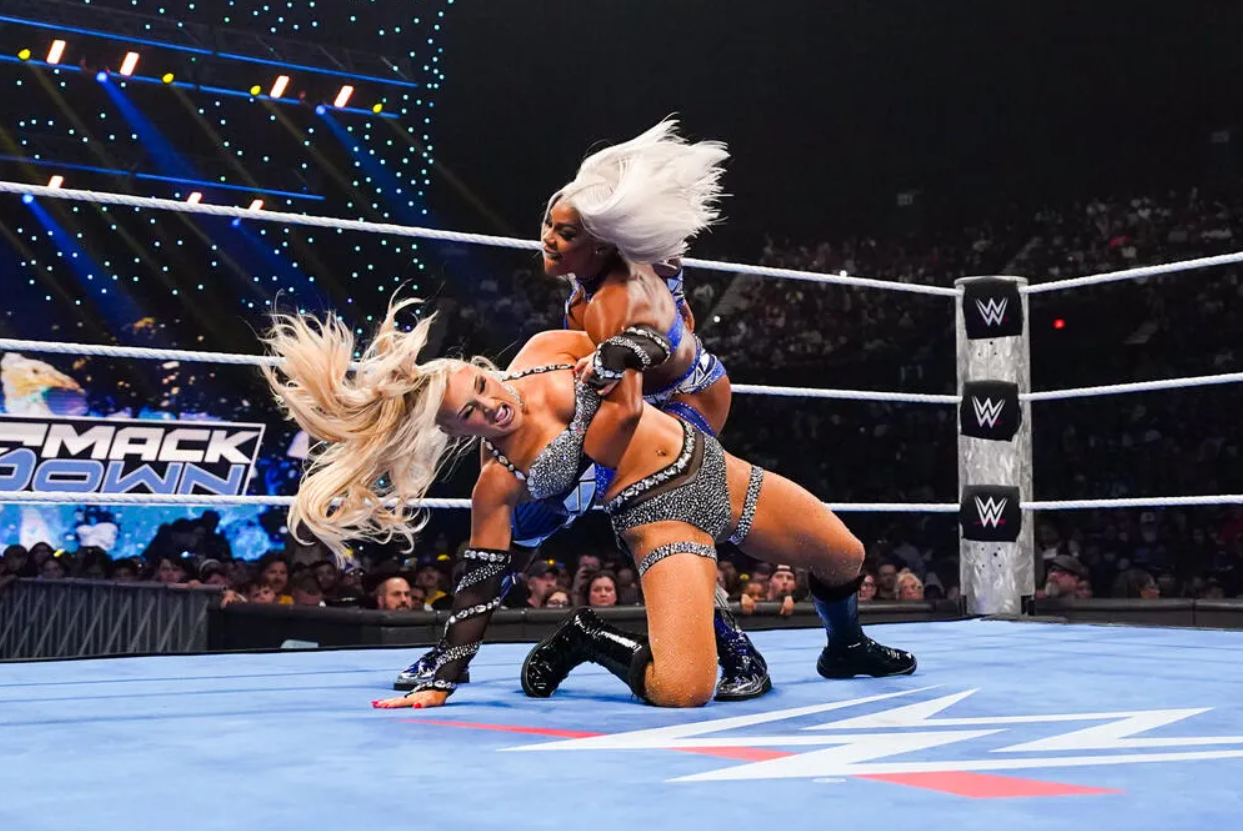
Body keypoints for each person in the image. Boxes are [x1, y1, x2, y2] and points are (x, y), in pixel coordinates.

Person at [260, 297, 914, 711]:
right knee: (685, 689)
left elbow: (641, 348)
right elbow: (481, 582)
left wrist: (635, 348)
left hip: (710, 464)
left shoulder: (545, 352)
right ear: (455, 432)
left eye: (481, 385)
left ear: (484, 366)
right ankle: (590, 638)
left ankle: (845, 646)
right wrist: (447, 675)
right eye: (471, 413)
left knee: (844, 555)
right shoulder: (498, 483)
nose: (490, 405)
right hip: (658, 513)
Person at [395, 119, 767, 701]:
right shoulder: (581, 295)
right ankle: (452, 651)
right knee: (526, 517)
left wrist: (585, 424)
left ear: (601, 242)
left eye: (564, 231)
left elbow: (649, 350)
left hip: (683, 403)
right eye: (548, 222)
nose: (546, 238)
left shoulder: (623, 289)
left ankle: (735, 649)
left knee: (654, 510)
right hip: (626, 401)